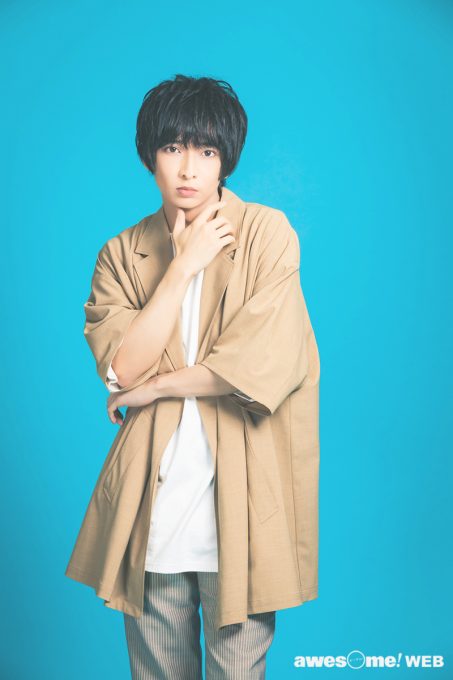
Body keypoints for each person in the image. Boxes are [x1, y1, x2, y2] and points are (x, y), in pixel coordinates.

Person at [65, 74, 320, 680]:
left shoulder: (266, 234)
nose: (188, 168)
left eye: (206, 150)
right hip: (151, 511)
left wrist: (153, 388)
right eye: (173, 147)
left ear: (226, 158)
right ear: (149, 155)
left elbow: (256, 366)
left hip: (243, 507)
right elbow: (121, 368)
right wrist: (182, 269)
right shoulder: (122, 254)